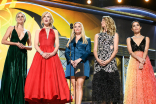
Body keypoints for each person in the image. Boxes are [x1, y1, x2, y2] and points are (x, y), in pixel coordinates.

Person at [24, 11, 72, 104]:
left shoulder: (55, 31)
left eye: (48, 17)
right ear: (42, 19)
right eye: (44, 17)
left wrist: (52, 53)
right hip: (40, 56)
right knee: (40, 77)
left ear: (51, 20)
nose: (46, 18)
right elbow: (35, 44)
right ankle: (40, 97)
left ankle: (51, 97)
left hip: (52, 56)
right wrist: (42, 53)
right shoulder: (38, 31)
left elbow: (57, 45)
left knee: (51, 78)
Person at [0, 12, 32, 104]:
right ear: (16, 18)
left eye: (22, 17)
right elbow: (3, 41)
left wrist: (24, 47)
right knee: (10, 76)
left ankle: (18, 101)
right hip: (12, 55)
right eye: (18, 16)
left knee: (20, 77)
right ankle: (8, 100)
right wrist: (16, 43)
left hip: (22, 56)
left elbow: (30, 47)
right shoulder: (11, 28)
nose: (20, 18)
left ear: (24, 19)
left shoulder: (28, 32)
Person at [124, 20, 156, 104]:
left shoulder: (146, 38)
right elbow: (130, 52)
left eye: (137, 25)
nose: (136, 27)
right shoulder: (129, 39)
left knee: (146, 82)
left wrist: (142, 61)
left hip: (145, 61)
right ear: (132, 29)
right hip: (134, 61)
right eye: (134, 26)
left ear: (140, 27)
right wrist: (139, 59)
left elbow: (146, 50)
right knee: (135, 83)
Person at [92, 16, 120, 104]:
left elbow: (115, 50)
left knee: (111, 91)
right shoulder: (97, 35)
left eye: (103, 21)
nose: (101, 22)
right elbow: (95, 50)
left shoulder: (115, 34)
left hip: (110, 65)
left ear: (108, 22)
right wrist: (98, 59)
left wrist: (108, 61)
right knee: (101, 91)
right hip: (99, 64)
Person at [65, 22, 91, 104]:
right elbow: (66, 52)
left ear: (81, 28)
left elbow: (88, 51)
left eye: (79, 26)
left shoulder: (87, 39)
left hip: (82, 63)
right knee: (74, 85)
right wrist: (71, 60)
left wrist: (79, 60)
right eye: (75, 27)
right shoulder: (70, 40)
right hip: (72, 64)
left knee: (79, 85)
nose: (77, 28)